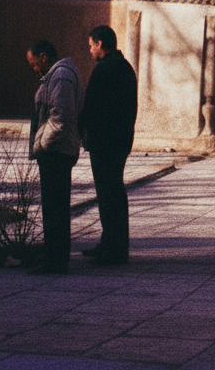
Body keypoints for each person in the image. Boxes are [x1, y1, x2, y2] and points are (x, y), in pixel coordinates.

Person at [78, 25, 138, 265]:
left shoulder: (105, 70)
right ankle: (113, 243)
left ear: (101, 44)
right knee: (114, 191)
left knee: (108, 193)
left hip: (105, 142)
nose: (90, 50)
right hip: (120, 140)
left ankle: (113, 247)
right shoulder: (125, 68)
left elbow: (92, 106)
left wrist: (81, 130)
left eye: (91, 45)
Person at [26, 39, 84, 275]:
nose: (34, 69)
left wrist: (42, 143)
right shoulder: (59, 74)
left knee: (55, 208)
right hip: (58, 150)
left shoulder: (60, 76)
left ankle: (56, 259)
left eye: (33, 63)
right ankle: (53, 254)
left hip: (57, 152)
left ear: (43, 56)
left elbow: (60, 116)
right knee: (54, 208)